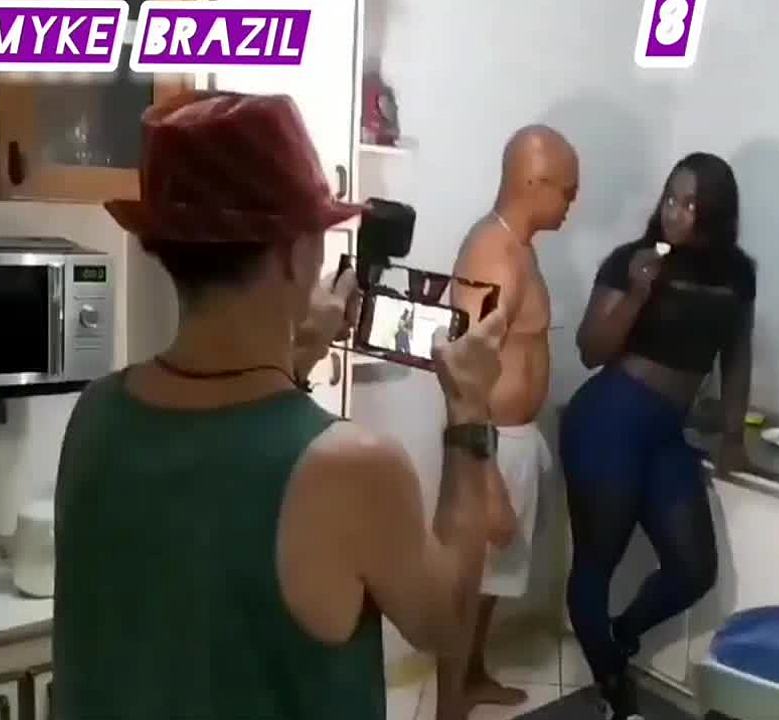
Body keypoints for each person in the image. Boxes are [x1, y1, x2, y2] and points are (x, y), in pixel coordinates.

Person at [54, 91, 509, 720]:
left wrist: (295, 358)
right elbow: (449, 623)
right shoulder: (354, 467)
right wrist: (470, 410)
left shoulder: (95, 414)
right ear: (298, 254)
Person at [560, 153, 756, 719]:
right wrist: (637, 293)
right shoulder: (632, 261)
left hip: (666, 432)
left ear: (715, 213)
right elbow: (590, 350)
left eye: (691, 204)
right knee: (595, 563)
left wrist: (734, 433)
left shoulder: (737, 275)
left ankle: (619, 635)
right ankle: (615, 689)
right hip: (608, 420)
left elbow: (736, 355)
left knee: (694, 567)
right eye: (670, 198)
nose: (675, 211)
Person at [444, 125, 579, 717]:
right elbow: (459, 367)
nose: (572, 203)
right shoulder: (494, 255)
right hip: (489, 444)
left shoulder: (519, 249)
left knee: (490, 585)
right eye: (566, 190)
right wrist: (488, 478)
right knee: (467, 582)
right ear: (533, 181)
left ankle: (472, 676)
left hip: (512, 440)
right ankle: (449, 701)